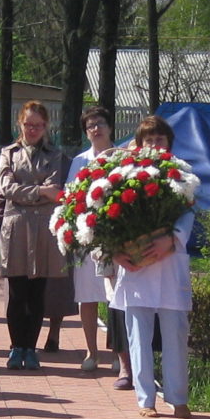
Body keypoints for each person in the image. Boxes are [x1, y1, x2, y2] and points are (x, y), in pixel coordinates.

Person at [113, 115, 196, 418]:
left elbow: (188, 214)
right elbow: (110, 221)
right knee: (138, 335)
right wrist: (115, 251)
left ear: (169, 144)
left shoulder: (183, 175)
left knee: (175, 334)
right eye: (149, 140)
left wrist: (171, 241)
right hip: (138, 266)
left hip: (170, 261)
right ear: (139, 145)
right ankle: (145, 399)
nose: (155, 144)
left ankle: (178, 398)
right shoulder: (122, 177)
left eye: (160, 139)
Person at [0, 101, 69, 370]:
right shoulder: (8, 153)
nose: (33, 130)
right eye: (29, 124)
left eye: (38, 125)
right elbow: (6, 188)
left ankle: (31, 347)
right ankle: (16, 346)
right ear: (20, 123)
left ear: (46, 126)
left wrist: (30, 191)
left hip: (43, 228)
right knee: (17, 292)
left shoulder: (55, 155)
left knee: (38, 293)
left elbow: (55, 187)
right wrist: (39, 192)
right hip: (15, 226)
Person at [68, 107, 129, 377]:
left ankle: (119, 354)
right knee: (87, 297)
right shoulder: (79, 161)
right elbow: (71, 198)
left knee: (116, 298)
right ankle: (92, 352)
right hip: (87, 238)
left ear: (110, 128)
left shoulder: (123, 158)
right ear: (86, 131)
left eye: (101, 123)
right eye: (91, 125)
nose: (96, 128)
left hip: (116, 239)